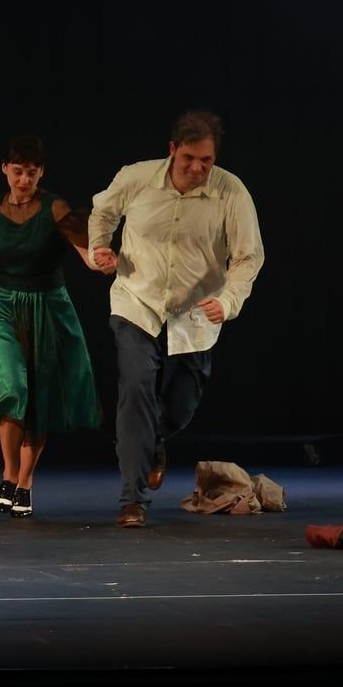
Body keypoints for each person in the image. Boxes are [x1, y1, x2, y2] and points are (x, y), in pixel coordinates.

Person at [69, 111, 263, 528]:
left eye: (206, 160)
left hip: (195, 314)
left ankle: (154, 438)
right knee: (136, 386)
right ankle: (132, 499)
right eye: (189, 158)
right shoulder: (136, 178)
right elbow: (102, 211)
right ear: (172, 150)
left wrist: (228, 300)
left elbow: (248, 257)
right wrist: (100, 247)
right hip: (136, 301)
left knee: (180, 406)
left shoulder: (230, 192)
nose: (197, 168)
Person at [0, 135, 101, 519]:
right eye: (17, 172)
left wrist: (101, 259)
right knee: (11, 386)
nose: (24, 180)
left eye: (31, 173)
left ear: (41, 173)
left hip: (48, 308)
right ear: (5, 168)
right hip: (5, 305)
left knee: (38, 398)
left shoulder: (55, 208)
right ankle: (8, 474)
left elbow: (86, 254)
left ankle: (25, 483)